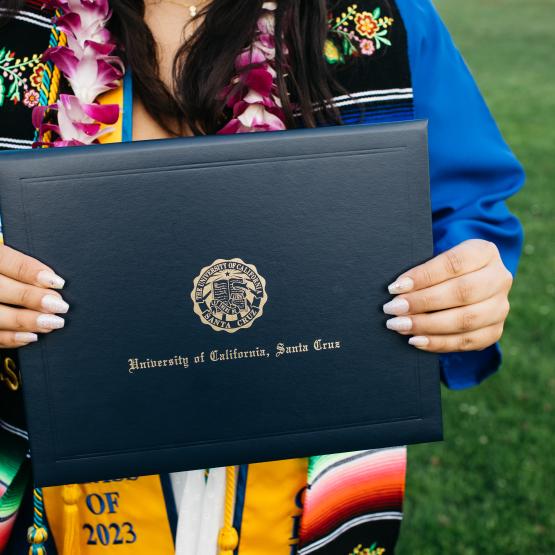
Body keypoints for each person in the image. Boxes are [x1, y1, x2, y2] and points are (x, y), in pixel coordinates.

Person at [0, 0, 523, 554]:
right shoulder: (15, 25)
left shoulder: (385, 19)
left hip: (299, 489)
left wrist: (469, 284)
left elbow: (467, 207)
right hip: (64, 499)